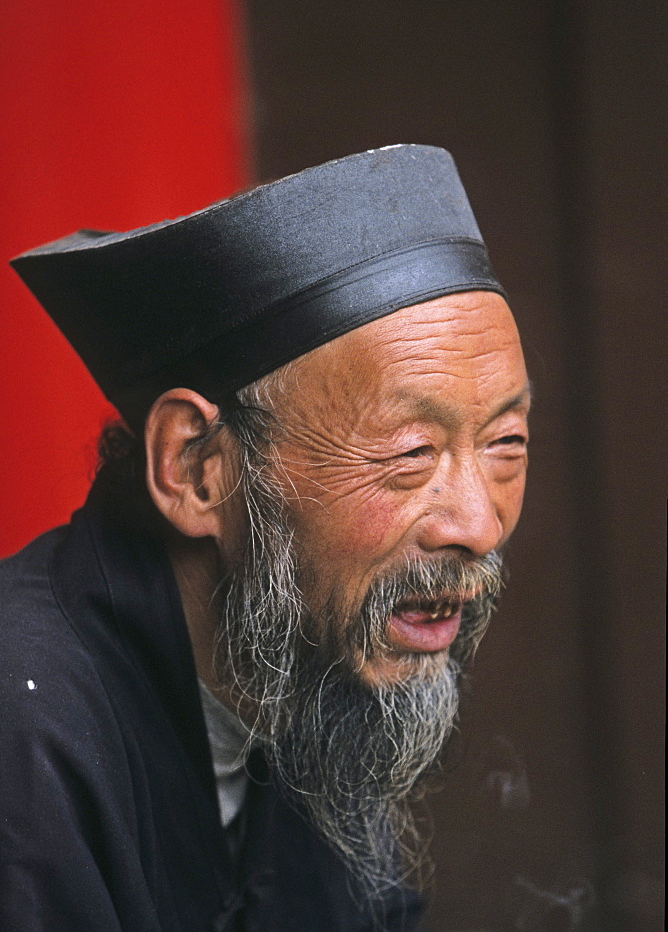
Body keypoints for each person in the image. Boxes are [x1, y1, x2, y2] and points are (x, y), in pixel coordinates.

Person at [0, 145, 530, 932]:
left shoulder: (310, 674)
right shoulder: (23, 733)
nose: (479, 525)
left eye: (506, 444)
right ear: (197, 467)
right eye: (411, 452)